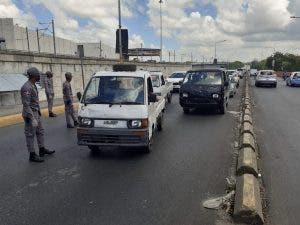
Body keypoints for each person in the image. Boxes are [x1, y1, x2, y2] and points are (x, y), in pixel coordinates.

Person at [21, 67, 55, 163]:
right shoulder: (26, 87)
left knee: (40, 131)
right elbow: (26, 104)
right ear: (34, 76)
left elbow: (34, 101)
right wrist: (32, 118)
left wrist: (38, 112)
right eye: (38, 75)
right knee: (30, 134)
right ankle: (32, 155)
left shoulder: (33, 85)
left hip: (36, 113)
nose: (39, 76)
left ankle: (42, 149)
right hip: (30, 114)